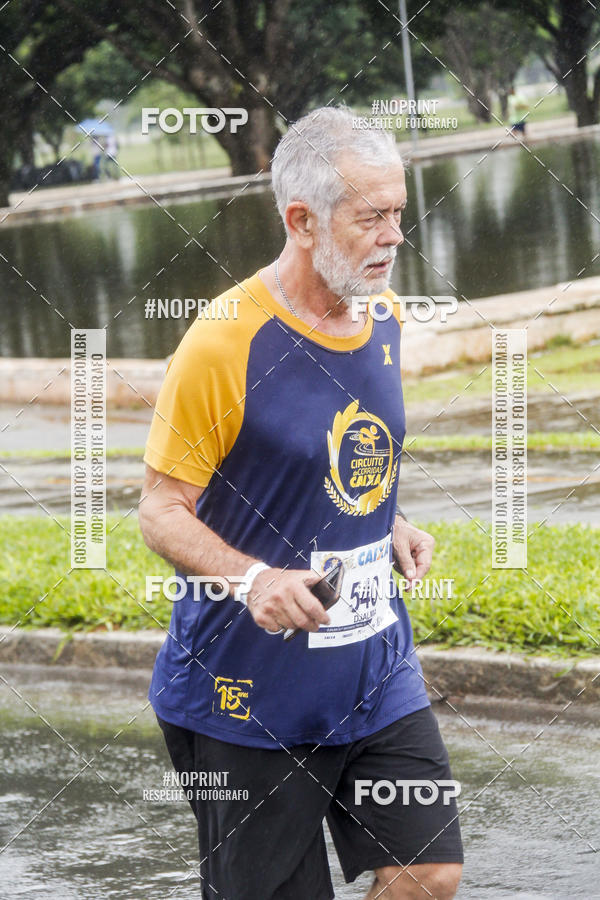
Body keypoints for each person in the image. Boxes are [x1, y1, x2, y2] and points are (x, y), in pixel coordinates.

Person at [139, 105, 463, 900]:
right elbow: (159, 509)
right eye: (372, 218)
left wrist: (388, 520)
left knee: (429, 873)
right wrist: (255, 581)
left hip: (372, 666)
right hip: (245, 697)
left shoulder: (382, 316)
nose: (395, 236)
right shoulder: (224, 341)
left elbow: (346, 458)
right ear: (303, 220)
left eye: (400, 213)